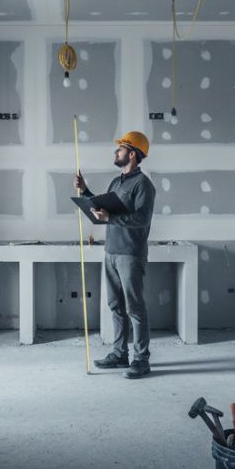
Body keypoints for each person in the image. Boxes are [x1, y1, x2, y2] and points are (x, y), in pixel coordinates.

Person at [74, 131, 156, 379]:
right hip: (111, 252)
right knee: (115, 306)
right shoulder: (116, 182)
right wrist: (86, 192)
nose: (115, 152)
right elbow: (104, 208)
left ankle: (141, 359)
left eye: (120, 148)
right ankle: (120, 354)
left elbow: (142, 218)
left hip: (130, 254)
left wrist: (112, 218)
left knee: (134, 308)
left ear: (132, 153)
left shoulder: (143, 185)